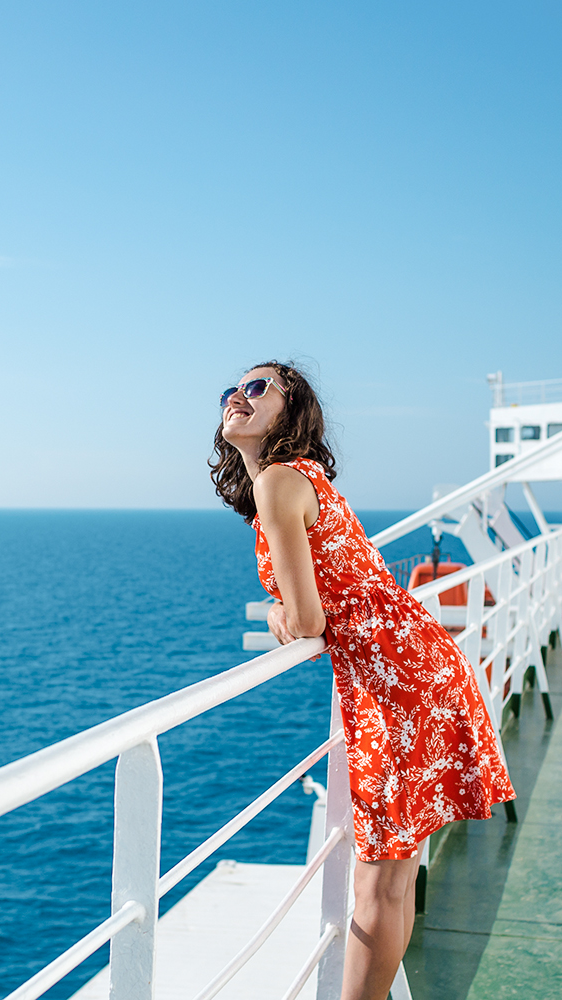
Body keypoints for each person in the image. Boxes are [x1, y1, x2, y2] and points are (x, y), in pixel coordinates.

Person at [210, 360, 515, 1000]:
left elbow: (308, 618)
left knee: (376, 886)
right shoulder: (306, 478)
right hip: (421, 661)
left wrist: (275, 614)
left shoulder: (276, 483)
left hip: (392, 682)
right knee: (393, 884)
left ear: (291, 412)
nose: (240, 395)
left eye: (258, 387)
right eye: (232, 390)